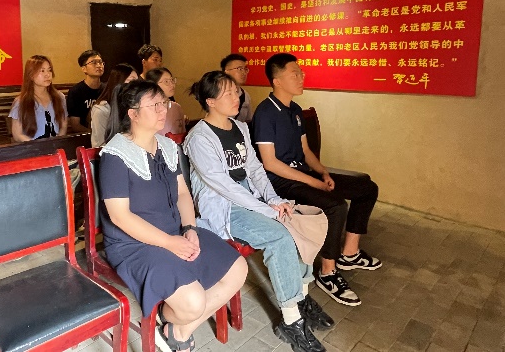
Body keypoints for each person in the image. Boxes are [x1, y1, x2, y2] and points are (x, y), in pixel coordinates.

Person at [184, 71, 332, 352]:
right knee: (280, 236)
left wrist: (274, 200)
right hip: (225, 206)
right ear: (210, 102)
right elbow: (224, 186)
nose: (236, 97)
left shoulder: (239, 128)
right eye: (228, 93)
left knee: (296, 222)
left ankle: (301, 297)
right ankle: (291, 320)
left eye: (236, 91)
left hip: (249, 197)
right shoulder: (199, 138)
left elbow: (254, 169)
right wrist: (267, 210)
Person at [99, 80, 248, 352]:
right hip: (134, 244)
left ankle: (175, 330)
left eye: (163, 103)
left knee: (238, 269)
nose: (162, 110)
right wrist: (169, 243)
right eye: (154, 105)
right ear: (132, 114)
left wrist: (190, 228)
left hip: (175, 231)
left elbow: (181, 193)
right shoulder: (115, 155)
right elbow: (120, 217)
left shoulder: (167, 146)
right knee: (193, 302)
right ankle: (171, 317)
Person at [252, 53, 381, 307]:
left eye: (301, 72)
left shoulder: (295, 110)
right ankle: (327, 272)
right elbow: (270, 163)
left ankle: (349, 253)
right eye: (295, 74)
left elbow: (305, 150)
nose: (302, 77)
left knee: (367, 189)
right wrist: (314, 183)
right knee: (335, 206)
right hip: (280, 182)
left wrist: (323, 172)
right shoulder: (266, 112)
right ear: (277, 81)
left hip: (303, 175)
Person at [9, 55, 68, 142]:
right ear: (31, 75)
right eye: (42, 71)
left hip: (56, 145)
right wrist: (37, 146)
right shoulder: (21, 101)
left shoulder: (59, 97)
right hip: (32, 147)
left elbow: (64, 125)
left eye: (49, 70)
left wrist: (57, 143)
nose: (47, 75)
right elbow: (17, 134)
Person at [89, 63, 138, 147]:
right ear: (118, 82)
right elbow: (100, 144)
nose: (136, 86)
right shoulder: (102, 110)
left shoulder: (134, 107)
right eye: (132, 81)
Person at [67, 50, 105, 133]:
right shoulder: (75, 92)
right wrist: (94, 134)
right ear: (84, 69)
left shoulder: (107, 89)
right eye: (94, 62)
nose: (99, 65)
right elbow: (75, 125)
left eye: (100, 62)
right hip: (86, 135)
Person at [145, 68, 185, 136]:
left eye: (172, 80)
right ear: (153, 85)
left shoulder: (177, 107)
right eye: (166, 82)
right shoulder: (148, 109)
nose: (172, 85)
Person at [220, 53, 253, 122]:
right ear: (226, 71)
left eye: (245, 69)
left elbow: (249, 120)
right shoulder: (218, 94)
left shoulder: (245, 95)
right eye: (239, 69)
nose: (244, 73)